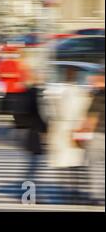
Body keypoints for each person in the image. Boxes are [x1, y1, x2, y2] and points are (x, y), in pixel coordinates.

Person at [46, 66, 90, 203]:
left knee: (64, 164)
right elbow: (86, 112)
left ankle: (67, 191)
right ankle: (76, 191)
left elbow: (52, 113)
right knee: (77, 163)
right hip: (76, 129)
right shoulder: (82, 94)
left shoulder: (58, 93)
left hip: (62, 129)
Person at [0, 46, 29, 129]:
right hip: (7, 90)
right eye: (8, 53)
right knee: (7, 109)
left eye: (11, 53)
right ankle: (14, 123)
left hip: (13, 90)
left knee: (12, 109)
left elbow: (23, 75)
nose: (9, 55)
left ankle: (17, 123)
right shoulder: (1, 63)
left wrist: (5, 75)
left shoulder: (18, 63)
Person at [83, 71, 105, 205]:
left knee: (95, 168)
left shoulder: (97, 97)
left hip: (98, 135)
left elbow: (91, 118)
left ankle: (96, 196)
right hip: (98, 135)